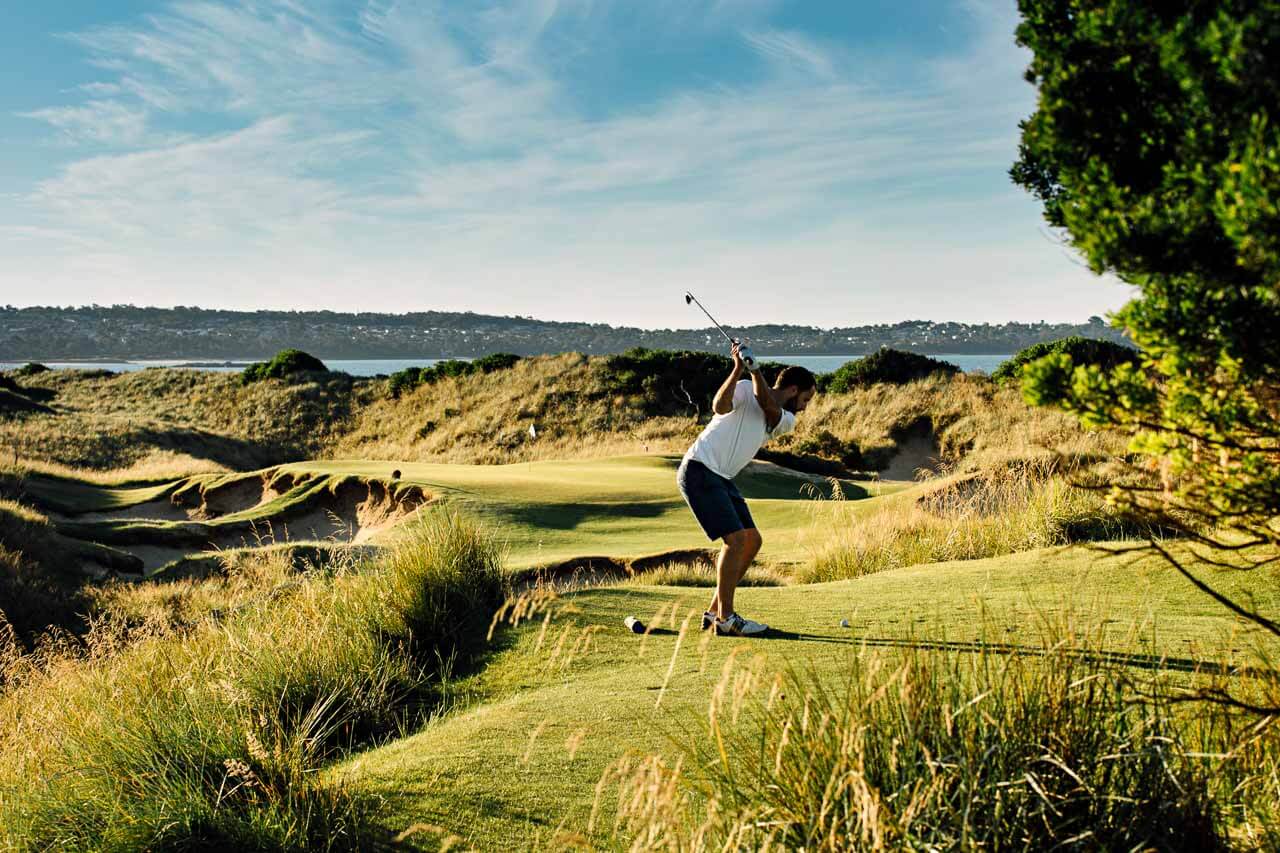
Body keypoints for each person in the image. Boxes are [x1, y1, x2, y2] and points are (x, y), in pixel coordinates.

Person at [677, 343, 817, 636]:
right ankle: (727, 619)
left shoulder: (785, 419)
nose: (805, 406)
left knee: (752, 540)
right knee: (736, 540)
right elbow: (719, 407)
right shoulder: (742, 386)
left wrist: (755, 371)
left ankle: (715, 612)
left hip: (722, 477)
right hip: (700, 468)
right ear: (793, 390)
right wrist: (739, 368)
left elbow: (767, 405)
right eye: (806, 398)